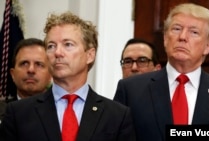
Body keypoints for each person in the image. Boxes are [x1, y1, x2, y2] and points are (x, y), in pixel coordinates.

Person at [113, 3, 209, 141]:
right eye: (177, 29)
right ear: (165, 39)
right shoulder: (131, 90)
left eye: (194, 32)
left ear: (207, 46)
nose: (183, 37)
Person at [0, 11, 136, 141]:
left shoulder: (116, 116)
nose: (58, 52)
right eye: (51, 46)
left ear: (90, 55)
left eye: (68, 45)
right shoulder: (19, 113)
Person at [0, 38, 52, 122]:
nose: (31, 70)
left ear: (50, 75)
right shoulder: (3, 111)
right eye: (24, 63)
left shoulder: (60, 113)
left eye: (39, 64)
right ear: (13, 74)